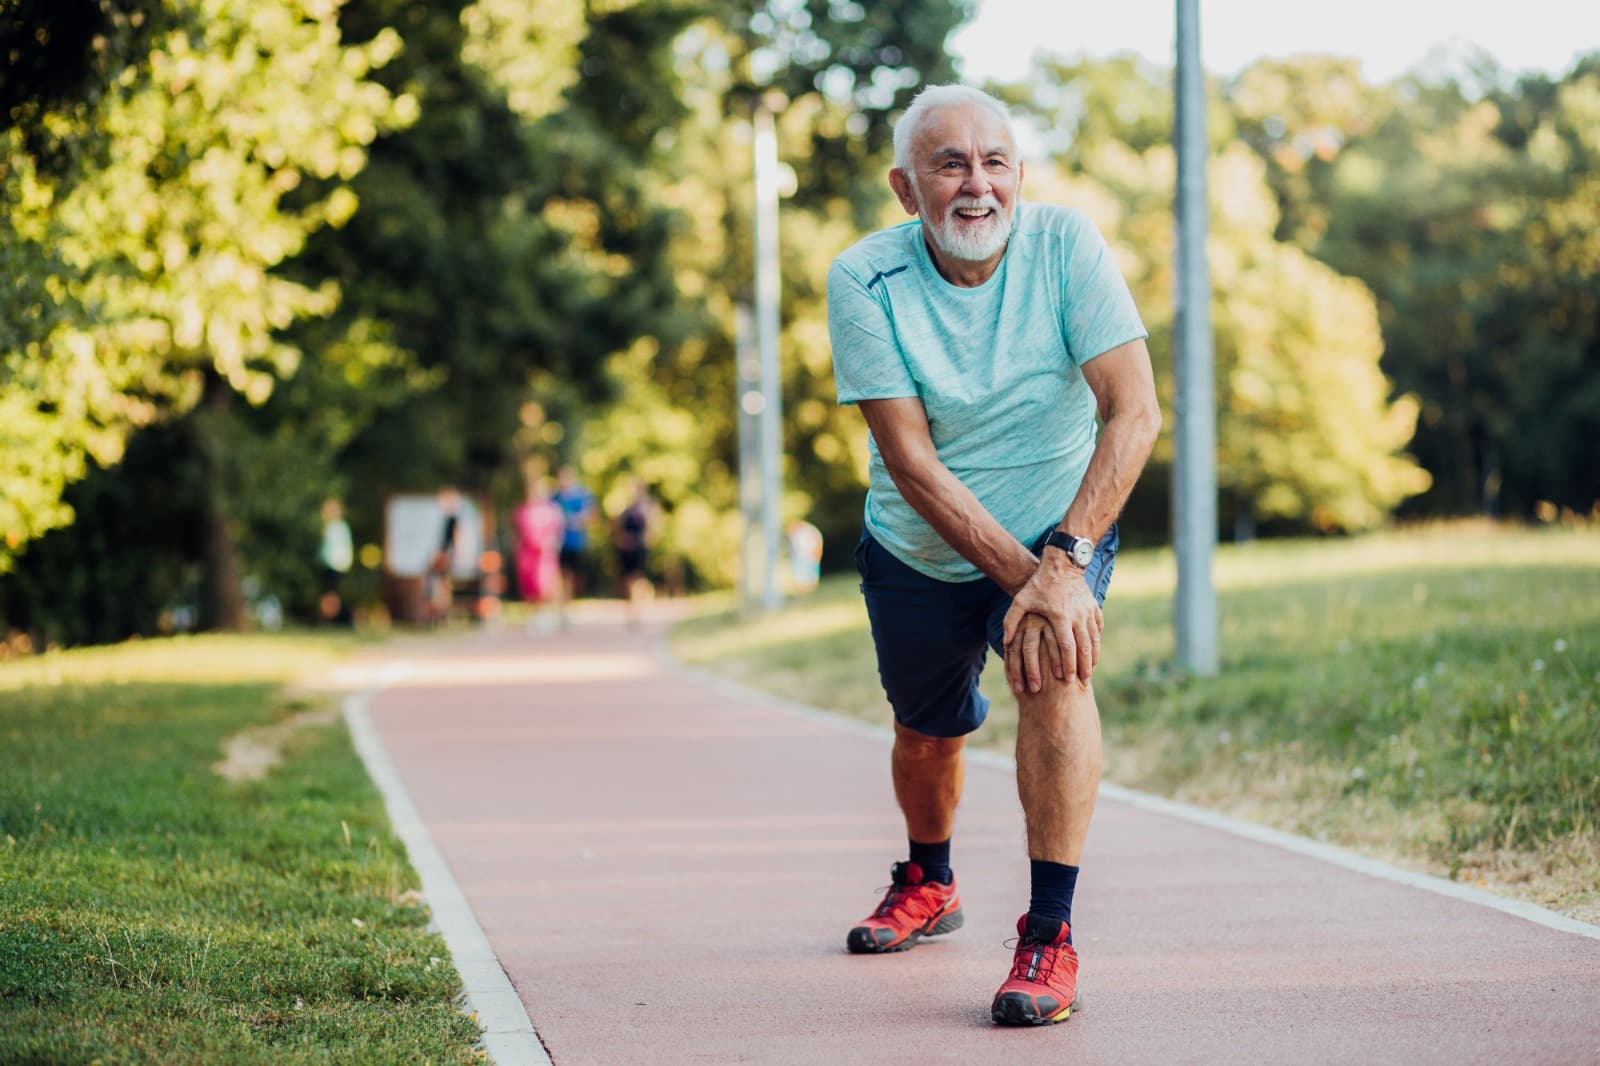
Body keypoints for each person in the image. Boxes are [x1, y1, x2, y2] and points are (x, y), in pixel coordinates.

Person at [826, 84, 1161, 1027]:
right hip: (919, 546)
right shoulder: (863, 279)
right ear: (906, 189)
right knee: (926, 732)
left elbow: (1134, 411)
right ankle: (929, 880)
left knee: (1056, 674)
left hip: (1062, 525)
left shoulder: (1066, 247)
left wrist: (1064, 567)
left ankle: (1049, 936)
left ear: (1019, 174)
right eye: (950, 165)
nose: (977, 185)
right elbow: (912, 462)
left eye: (995, 162)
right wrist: (1036, 580)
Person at [513, 476, 564, 633]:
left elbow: (557, 532)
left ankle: (547, 616)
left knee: (546, 585)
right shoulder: (523, 511)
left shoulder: (552, 511)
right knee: (529, 586)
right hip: (528, 555)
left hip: (544, 555)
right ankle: (533, 617)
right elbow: (518, 534)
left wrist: (552, 543)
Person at [551, 465, 596, 625]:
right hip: (559, 543)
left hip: (577, 542)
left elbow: (591, 515)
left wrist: (578, 520)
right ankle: (563, 608)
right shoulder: (555, 497)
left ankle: (570, 604)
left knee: (575, 576)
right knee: (562, 575)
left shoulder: (582, 495)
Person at [610, 477, 657, 626]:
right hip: (627, 549)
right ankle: (631, 608)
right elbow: (616, 527)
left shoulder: (648, 508)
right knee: (627, 579)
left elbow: (652, 529)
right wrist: (621, 541)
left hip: (640, 548)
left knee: (638, 578)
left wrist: (645, 541)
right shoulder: (626, 508)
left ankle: (639, 608)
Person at [318, 497, 354, 625]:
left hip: (336, 565)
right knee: (330, 593)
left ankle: (332, 618)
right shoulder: (332, 527)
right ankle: (332, 618)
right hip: (329, 565)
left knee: (331, 594)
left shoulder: (338, 527)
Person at [429, 486, 462, 625]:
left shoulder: (452, 519)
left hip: (446, 555)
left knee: (443, 584)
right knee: (442, 584)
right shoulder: (447, 518)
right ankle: (441, 613)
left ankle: (443, 613)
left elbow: (453, 540)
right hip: (445, 554)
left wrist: (448, 554)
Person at [786, 518, 824, 594]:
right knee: (801, 576)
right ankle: (802, 590)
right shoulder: (797, 534)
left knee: (810, 575)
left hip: (809, 555)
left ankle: (809, 589)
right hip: (801, 556)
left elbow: (817, 543)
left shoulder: (809, 532)